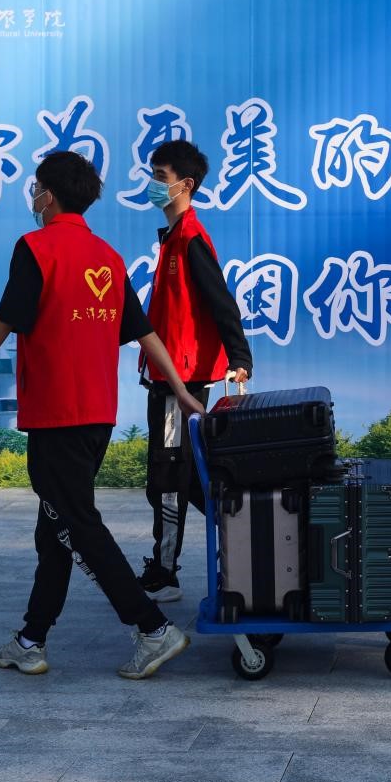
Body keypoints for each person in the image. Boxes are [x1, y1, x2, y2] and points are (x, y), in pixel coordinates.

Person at [0, 150, 205, 679]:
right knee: (56, 525)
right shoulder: (106, 256)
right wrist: (180, 390)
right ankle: (31, 638)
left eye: (37, 187)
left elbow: (4, 320)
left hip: (55, 414)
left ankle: (152, 628)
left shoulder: (37, 248)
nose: (34, 196)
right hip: (97, 415)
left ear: (49, 195)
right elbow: (144, 332)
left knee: (78, 524)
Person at [136, 140, 253, 603]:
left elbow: (222, 302)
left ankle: (165, 572)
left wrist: (240, 358)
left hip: (180, 385)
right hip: (168, 377)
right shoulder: (172, 238)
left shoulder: (190, 239)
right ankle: (249, 535)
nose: (152, 184)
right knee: (184, 477)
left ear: (185, 185)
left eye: (160, 177)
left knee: (167, 477)